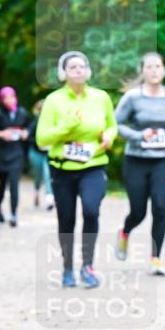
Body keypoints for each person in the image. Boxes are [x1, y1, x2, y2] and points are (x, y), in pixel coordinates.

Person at [36, 51, 117, 289]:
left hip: (93, 164)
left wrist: (109, 137)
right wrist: (66, 126)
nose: (78, 70)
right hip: (62, 168)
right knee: (67, 219)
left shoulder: (101, 97)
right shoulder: (54, 100)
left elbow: (112, 125)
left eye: (82, 66)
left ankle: (87, 267)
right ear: (64, 73)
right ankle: (68, 268)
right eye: (72, 67)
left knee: (91, 211)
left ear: (88, 70)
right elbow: (42, 139)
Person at [113, 53, 165, 276]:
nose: (154, 70)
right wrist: (139, 136)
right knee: (138, 211)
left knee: (160, 209)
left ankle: (156, 258)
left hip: (162, 159)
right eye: (150, 67)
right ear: (142, 71)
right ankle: (125, 232)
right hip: (136, 160)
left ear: (163, 70)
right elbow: (116, 124)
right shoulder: (133, 97)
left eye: (158, 66)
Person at [0, 86, 30, 227]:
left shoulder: (22, 113)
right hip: (1, 154)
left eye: (12, 97)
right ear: (2, 100)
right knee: (2, 183)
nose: (9, 100)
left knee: (14, 184)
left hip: (17, 153)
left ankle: (14, 214)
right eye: (6, 98)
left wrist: (26, 133)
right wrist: (0, 134)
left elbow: (31, 126)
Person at [27, 99, 54, 211]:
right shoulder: (35, 122)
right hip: (36, 153)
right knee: (38, 175)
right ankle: (37, 190)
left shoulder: (53, 122)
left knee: (48, 175)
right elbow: (29, 137)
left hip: (49, 153)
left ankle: (49, 198)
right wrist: (38, 143)